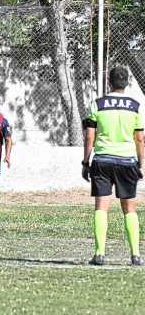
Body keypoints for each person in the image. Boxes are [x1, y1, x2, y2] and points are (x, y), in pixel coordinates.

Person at [82, 67, 145, 266]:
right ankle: (135, 255)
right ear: (126, 82)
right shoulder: (136, 105)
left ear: (108, 82)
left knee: (101, 206)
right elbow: (140, 138)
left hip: (102, 159)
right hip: (127, 160)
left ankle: (99, 254)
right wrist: (141, 164)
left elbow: (90, 135)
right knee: (130, 208)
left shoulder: (98, 104)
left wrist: (86, 161)